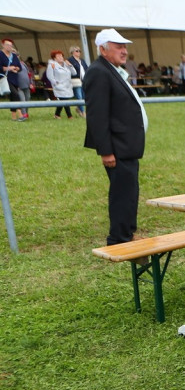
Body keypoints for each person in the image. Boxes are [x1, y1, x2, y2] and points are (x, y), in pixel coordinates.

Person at [84, 28, 148, 245]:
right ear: (103, 49)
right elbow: (97, 115)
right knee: (122, 193)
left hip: (126, 144)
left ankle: (127, 232)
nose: (124, 51)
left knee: (129, 190)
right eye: (118, 46)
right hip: (117, 146)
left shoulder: (111, 69)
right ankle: (119, 238)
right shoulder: (98, 72)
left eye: (125, 46)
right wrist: (106, 150)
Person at [1, 38, 27, 121]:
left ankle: (13, 117)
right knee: (16, 94)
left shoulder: (14, 55)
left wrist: (16, 68)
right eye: (7, 45)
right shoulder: (0, 54)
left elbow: (19, 67)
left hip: (14, 78)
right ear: (3, 45)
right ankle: (20, 115)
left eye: (10, 45)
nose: (9, 47)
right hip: (4, 78)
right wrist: (8, 68)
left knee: (13, 97)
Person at [46, 51, 75, 119]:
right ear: (54, 58)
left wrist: (70, 65)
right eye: (58, 56)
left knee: (63, 100)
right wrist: (55, 83)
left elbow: (74, 73)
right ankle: (69, 116)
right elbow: (50, 76)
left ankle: (57, 114)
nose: (61, 57)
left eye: (61, 56)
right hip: (59, 86)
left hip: (67, 86)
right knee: (65, 100)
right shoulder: (52, 65)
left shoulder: (66, 64)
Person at [68, 45, 88, 117]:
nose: (79, 52)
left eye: (79, 51)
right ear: (72, 52)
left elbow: (86, 68)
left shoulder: (82, 60)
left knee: (83, 96)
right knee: (79, 96)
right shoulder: (70, 60)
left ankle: (79, 108)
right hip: (75, 80)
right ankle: (83, 112)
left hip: (83, 80)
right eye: (77, 51)